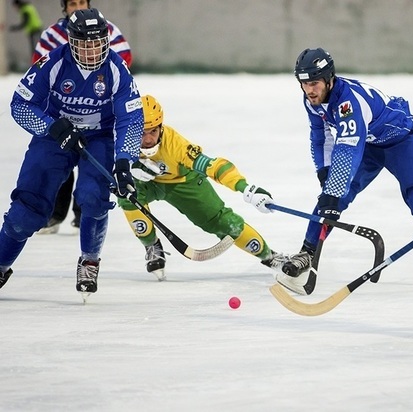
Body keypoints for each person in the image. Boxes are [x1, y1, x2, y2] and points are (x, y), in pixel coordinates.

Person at [291, 47, 413, 292]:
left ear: (329, 78)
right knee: (330, 196)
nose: (309, 90)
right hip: (369, 143)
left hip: (402, 141)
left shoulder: (348, 103)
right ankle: (307, 253)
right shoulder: (312, 100)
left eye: (313, 83)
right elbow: (319, 135)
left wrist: (333, 190)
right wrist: (325, 174)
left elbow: (348, 148)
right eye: (303, 84)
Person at [0, 9, 143, 300]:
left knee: (93, 196)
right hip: (54, 136)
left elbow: (132, 118)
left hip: (99, 137)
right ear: (71, 42)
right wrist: (53, 128)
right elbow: (20, 105)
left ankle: (89, 260)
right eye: (84, 44)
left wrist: (125, 161)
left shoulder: (116, 70)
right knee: (27, 209)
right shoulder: (52, 63)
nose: (92, 50)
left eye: (97, 42)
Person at [117, 95, 310, 294]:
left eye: (153, 131)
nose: (148, 139)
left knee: (223, 223)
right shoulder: (120, 139)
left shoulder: (176, 145)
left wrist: (244, 187)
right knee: (126, 194)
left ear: (161, 127)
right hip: (145, 184)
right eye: (142, 133)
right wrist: (129, 167)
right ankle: (151, 246)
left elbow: (212, 166)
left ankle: (270, 256)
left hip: (183, 184)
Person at [33, 0, 133, 234]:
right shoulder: (53, 34)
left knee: (91, 166)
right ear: (64, 8)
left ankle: (83, 214)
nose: (77, 7)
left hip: (97, 114)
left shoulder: (105, 28)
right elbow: (39, 67)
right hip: (62, 114)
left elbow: (124, 57)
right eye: (72, 4)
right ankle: (55, 215)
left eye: (81, 2)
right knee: (60, 166)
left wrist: (102, 79)